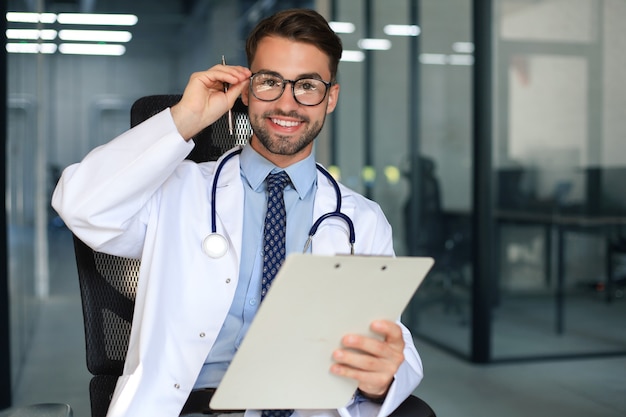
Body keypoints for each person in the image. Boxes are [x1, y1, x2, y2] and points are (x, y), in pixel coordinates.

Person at [52, 8, 423, 417]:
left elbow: (389, 337)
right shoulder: (176, 191)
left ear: (330, 98)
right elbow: (82, 206)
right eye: (270, 82)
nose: (287, 102)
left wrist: (385, 377)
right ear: (246, 90)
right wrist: (185, 119)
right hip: (190, 407)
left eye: (308, 86)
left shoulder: (362, 221)